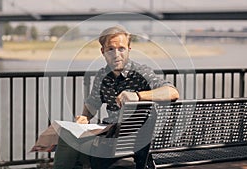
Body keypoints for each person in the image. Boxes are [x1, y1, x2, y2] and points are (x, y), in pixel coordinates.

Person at [53, 26, 179, 169]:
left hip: (127, 143)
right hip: (109, 137)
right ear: (103, 52)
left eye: (121, 48)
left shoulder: (141, 73)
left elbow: (172, 92)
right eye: (111, 49)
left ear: (129, 50)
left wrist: (137, 96)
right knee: (70, 139)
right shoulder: (102, 75)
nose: (116, 54)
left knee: (68, 141)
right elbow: (92, 104)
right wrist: (85, 117)